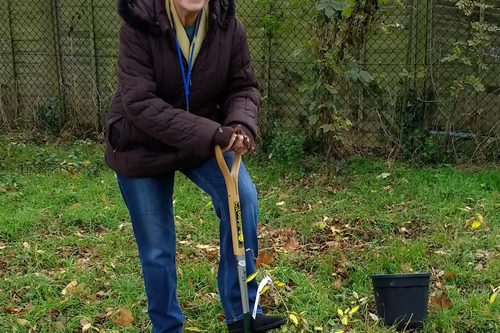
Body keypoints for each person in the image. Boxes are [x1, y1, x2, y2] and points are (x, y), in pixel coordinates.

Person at [104, 0, 286, 332]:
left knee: (242, 199)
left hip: (204, 138)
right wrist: (214, 133)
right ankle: (167, 327)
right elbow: (140, 103)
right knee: (157, 250)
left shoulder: (227, 26)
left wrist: (240, 126)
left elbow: (242, 86)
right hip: (141, 144)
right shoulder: (138, 26)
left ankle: (242, 313)